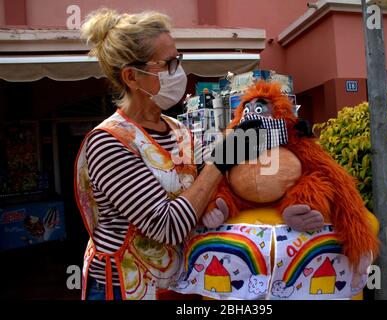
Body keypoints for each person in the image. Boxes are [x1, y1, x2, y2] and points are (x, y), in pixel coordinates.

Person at [74, 8, 264, 300]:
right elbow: (168, 226)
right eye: (169, 63)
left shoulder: (178, 130)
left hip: (175, 283)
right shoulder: (109, 142)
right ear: (132, 77)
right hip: (125, 286)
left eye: (179, 60)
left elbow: (211, 178)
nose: (179, 71)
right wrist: (223, 158)